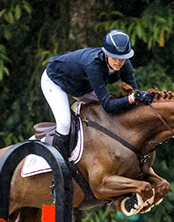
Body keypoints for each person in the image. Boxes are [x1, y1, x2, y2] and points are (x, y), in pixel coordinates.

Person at [41, 29, 154, 158]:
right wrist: (133, 98)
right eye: (114, 57)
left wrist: (141, 97)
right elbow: (108, 105)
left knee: (108, 114)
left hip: (82, 86)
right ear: (106, 54)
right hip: (55, 81)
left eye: (122, 58)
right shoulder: (94, 65)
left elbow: (135, 93)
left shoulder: (125, 64)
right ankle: (56, 163)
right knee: (64, 123)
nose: (118, 62)